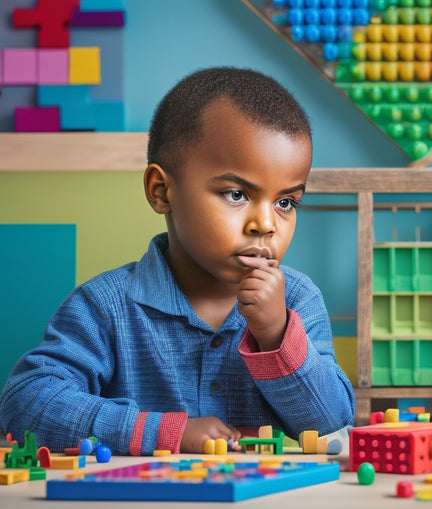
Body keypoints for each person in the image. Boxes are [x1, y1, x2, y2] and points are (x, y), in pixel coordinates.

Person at [0, 67, 355, 455]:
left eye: (285, 202)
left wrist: (277, 337)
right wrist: (163, 433)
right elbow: (26, 404)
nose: (266, 225)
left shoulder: (297, 302)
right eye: (236, 194)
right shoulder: (105, 306)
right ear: (161, 191)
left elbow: (333, 425)